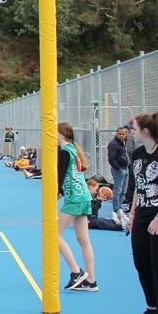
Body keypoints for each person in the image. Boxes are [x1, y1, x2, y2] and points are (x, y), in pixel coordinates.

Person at [126, 112, 158, 314]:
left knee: (157, 265)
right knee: (141, 262)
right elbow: (139, 185)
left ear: (145, 131)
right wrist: (132, 212)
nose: (131, 131)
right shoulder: (137, 154)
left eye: (134, 128)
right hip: (142, 215)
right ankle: (151, 309)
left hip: (157, 216)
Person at [56, 121, 97, 292]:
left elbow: (61, 177)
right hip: (83, 196)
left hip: (75, 198)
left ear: (62, 135)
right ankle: (91, 281)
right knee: (83, 240)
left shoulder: (65, 152)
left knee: (52, 234)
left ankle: (76, 271)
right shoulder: (73, 150)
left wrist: (54, 197)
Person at [107, 127, 129, 221]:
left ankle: (120, 207)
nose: (121, 135)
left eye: (123, 134)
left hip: (126, 169)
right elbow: (111, 158)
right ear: (116, 134)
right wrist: (118, 168)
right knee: (118, 190)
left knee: (124, 190)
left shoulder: (123, 143)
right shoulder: (113, 144)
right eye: (120, 134)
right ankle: (116, 209)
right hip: (119, 170)